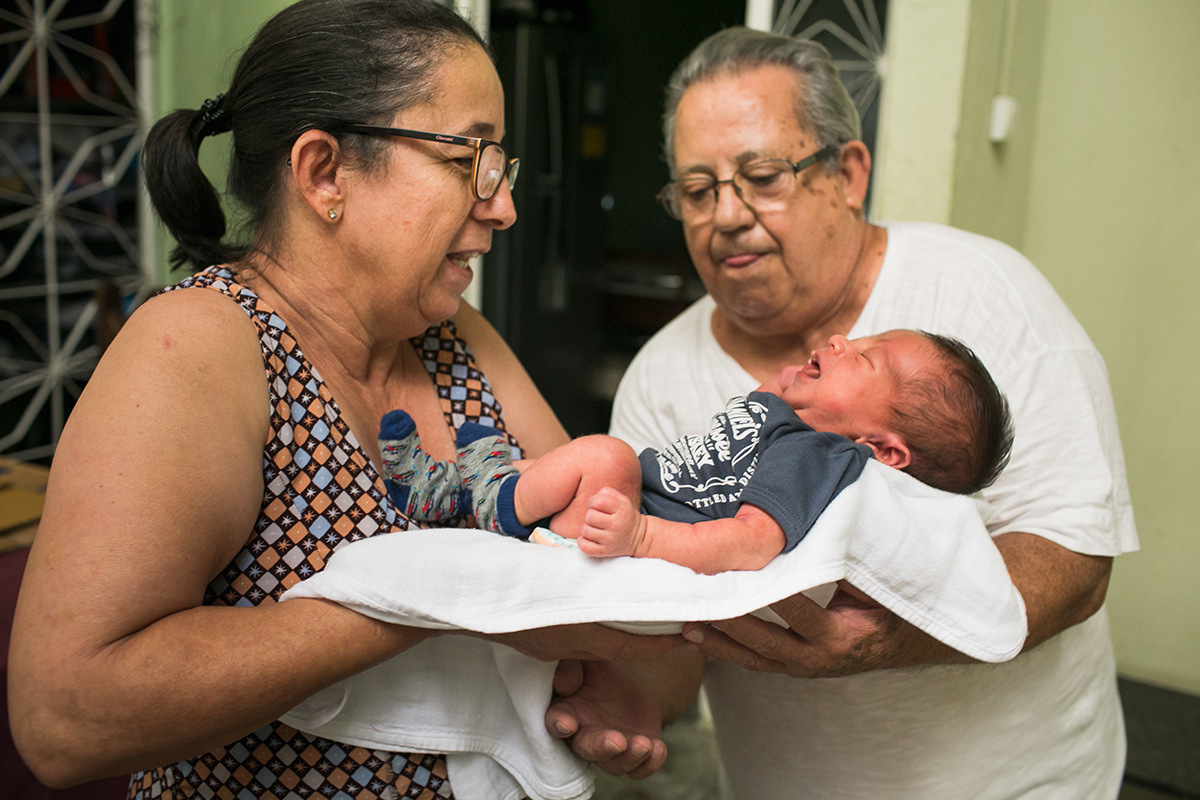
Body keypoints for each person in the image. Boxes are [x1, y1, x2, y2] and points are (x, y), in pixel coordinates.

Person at [6, 1, 685, 796]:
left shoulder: (456, 338)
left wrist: (612, 673)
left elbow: (624, 614)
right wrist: (435, 596)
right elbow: (65, 718)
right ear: (325, 172)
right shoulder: (201, 344)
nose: (500, 203)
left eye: (500, 164)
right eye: (471, 157)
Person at [549, 26, 1138, 800]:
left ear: (848, 173)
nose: (725, 215)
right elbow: (681, 612)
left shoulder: (984, 295)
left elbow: (1075, 556)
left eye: (762, 176)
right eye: (697, 191)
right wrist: (640, 692)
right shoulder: (661, 375)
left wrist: (891, 639)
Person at [380, 329, 1013, 575]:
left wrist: (641, 538)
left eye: (865, 357)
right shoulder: (789, 416)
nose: (842, 340)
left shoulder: (820, 457)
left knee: (607, 459)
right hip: (609, 519)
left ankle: (475, 500)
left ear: (881, 449)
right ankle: (450, 493)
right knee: (559, 464)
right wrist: (785, 389)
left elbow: (750, 540)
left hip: (623, 538)